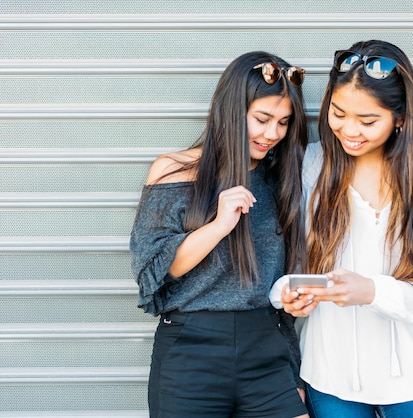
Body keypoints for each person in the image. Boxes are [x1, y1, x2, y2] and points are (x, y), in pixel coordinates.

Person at [270, 40, 413, 417]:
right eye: (338, 113)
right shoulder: (310, 165)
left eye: (368, 120)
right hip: (329, 374)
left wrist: (372, 291)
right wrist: (285, 294)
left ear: (402, 118)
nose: (349, 130)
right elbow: (282, 264)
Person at [130, 50, 310, 417]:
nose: (271, 134)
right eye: (261, 119)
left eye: (283, 123)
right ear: (231, 109)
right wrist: (218, 226)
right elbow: (151, 272)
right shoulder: (174, 171)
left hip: (268, 348)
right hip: (190, 353)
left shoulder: (285, 178)